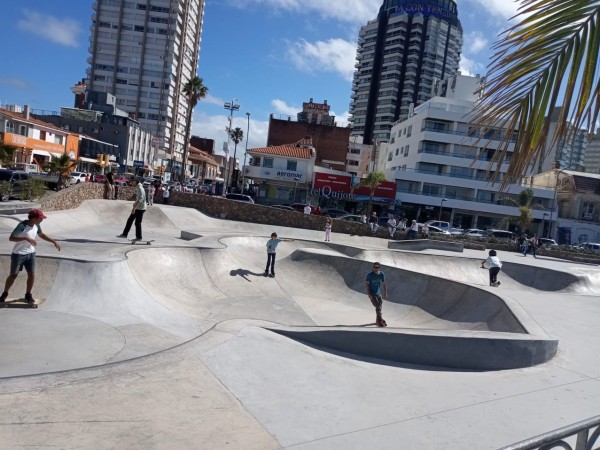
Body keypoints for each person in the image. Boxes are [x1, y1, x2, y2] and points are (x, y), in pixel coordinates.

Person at [0, 209, 61, 306]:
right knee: (13, 275)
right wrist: (25, 238)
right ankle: (4, 293)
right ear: (34, 218)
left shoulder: (37, 225)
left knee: (32, 275)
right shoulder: (22, 226)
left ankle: (28, 294)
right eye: (40, 218)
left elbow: (41, 234)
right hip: (18, 254)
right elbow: (11, 238)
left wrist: (53, 241)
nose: (42, 220)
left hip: (31, 254)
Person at [365, 261, 387, 327]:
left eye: (377, 267)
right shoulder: (370, 275)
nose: (376, 268)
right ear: (373, 267)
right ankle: (379, 319)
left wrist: (385, 293)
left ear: (379, 268)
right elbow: (366, 284)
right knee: (377, 306)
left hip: (378, 293)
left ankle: (378, 319)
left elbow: (384, 284)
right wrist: (369, 294)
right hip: (372, 293)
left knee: (379, 306)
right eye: (374, 267)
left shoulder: (382, 274)